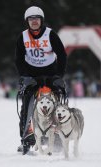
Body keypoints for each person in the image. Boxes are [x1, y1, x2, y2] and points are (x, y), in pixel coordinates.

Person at [15, 6, 67, 155]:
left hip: (50, 73)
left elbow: (62, 55)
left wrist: (59, 76)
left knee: (56, 103)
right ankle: (27, 139)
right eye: (31, 19)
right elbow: (18, 59)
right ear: (27, 22)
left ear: (41, 20)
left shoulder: (51, 34)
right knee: (26, 106)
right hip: (31, 74)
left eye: (37, 19)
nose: (34, 22)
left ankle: (57, 137)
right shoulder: (22, 37)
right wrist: (24, 76)